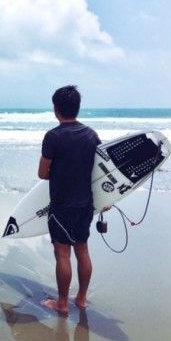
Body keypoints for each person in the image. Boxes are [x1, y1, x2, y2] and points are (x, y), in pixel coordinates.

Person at [37, 85, 101, 315]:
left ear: (56, 110)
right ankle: (81, 299)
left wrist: (60, 171)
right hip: (86, 204)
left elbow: (43, 173)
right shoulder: (91, 135)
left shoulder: (53, 137)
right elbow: (101, 171)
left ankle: (62, 303)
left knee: (62, 253)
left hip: (62, 204)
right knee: (82, 250)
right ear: (78, 108)